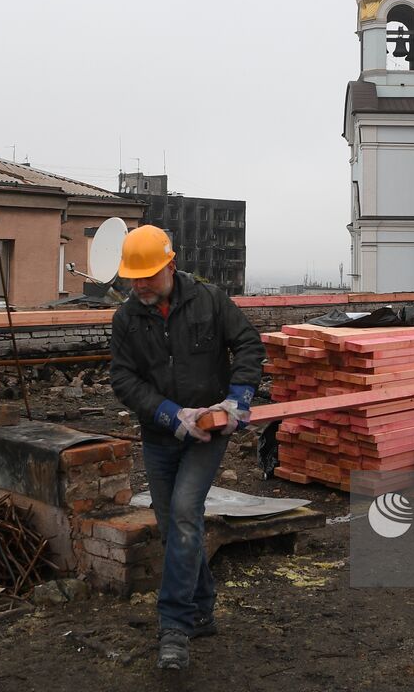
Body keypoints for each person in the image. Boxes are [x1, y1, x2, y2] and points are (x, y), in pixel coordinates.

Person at [108, 225, 264, 671]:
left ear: (170, 266)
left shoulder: (210, 300)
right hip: (162, 436)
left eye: (148, 276)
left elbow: (248, 344)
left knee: (182, 513)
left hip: (209, 433)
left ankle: (174, 627)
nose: (139, 285)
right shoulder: (127, 318)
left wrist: (239, 400)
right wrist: (169, 414)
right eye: (133, 278)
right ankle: (202, 607)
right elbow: (123, 378)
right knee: (175, 523)